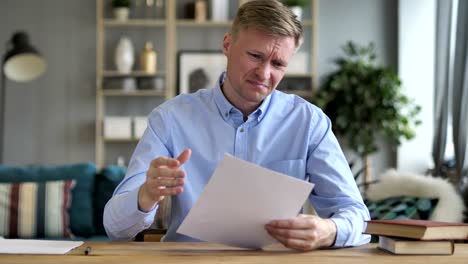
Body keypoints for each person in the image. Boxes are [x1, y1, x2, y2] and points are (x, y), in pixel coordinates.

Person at [104, 0, 370, 251]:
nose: (264, 74)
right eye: (255, 56)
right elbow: (115, 228)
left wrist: (330, 230)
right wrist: (146, 195)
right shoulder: (170, 119)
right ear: (228, 44)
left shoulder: (309, 123)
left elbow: (357, 216)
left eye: (278, 64)